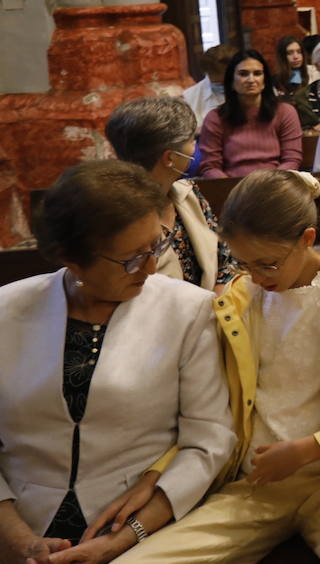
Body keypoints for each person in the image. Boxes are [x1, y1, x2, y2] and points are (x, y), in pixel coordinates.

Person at [118, 170, 320, 564]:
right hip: (253, 483)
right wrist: (159, 472)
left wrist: (310, 449)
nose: (255, 276)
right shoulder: (239, 299)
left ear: (306, 238)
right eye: (243, 263)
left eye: (267, 264)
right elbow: (209, 408)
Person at [0, 161, 234, 563]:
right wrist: (20, 540)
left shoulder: (188, 310)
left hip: (140, 531)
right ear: (73, 259)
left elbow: (208, 440)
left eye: (156, 247)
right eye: (132, 259)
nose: (150, 268)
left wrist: (124, 539)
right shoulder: (7, 311)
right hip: (19, 521)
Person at [105, 97, 237, 289]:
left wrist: (216, 297)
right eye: (191, 141)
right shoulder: (119, 214)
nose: (195, 148)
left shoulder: (188, 192)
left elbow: (224, 254)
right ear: (170, 158)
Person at [198, 49, 303, 178]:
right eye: (243, 74)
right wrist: (232, 187)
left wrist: (268, 184)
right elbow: (210, 166)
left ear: (265, 81)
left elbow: (292, 160)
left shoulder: (285, 112)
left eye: (257, 73)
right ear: (231, 81)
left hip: (275, 184)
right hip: (231, 186)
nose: (251, 79)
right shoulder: (215, 118)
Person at [183, 43, 237, 127]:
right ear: (207, 73)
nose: (222, 86)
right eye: (218, 83)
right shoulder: (190, 96)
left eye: (226, 82)